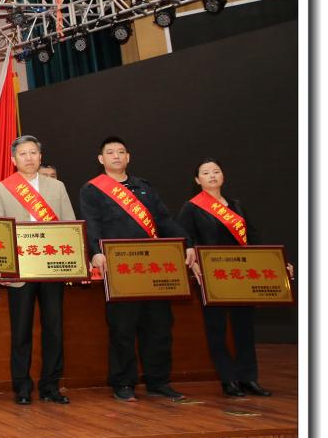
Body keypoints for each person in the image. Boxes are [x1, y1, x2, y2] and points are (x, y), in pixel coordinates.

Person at [79, 136, 197, 402]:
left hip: (153, 267)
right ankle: (123, 382)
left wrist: (187, 244)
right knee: (122, 327)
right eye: (110, 152)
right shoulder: (92, 189)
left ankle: (158, 381)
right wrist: (95, 251)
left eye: (121, 152)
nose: (116, 156)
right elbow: (91, 223)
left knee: (159, 325)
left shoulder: (144, 187)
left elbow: (164, 220)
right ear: (101, 159)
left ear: (128, 157)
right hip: (119, 267)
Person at [177, 158, 292, 398]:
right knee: (217, 328)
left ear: (223, 176)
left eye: (216, 171)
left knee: (244, 328)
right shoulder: (192, 207)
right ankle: (228, 379)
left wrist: (277, 263)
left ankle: (249, 378)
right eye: (205, 173)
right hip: (213, 275)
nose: (212, 175)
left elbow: (253, 238)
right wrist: (191, 256)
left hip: (241, 275)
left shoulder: (236, 206)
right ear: (197, 180)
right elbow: (184, 237)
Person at [0, 136, 76, 406]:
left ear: (40, 156)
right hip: (20, 272)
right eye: (23, 154)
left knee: (54, 330)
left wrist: (75, 261)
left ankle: (51, 385)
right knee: (21, 331)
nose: (29, 158)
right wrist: (0, 266)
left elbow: (70, 224)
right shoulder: (0, 189)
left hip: (52, 269)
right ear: (13, 160)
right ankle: (22, 387)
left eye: (33, 152)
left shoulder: (57, 187)